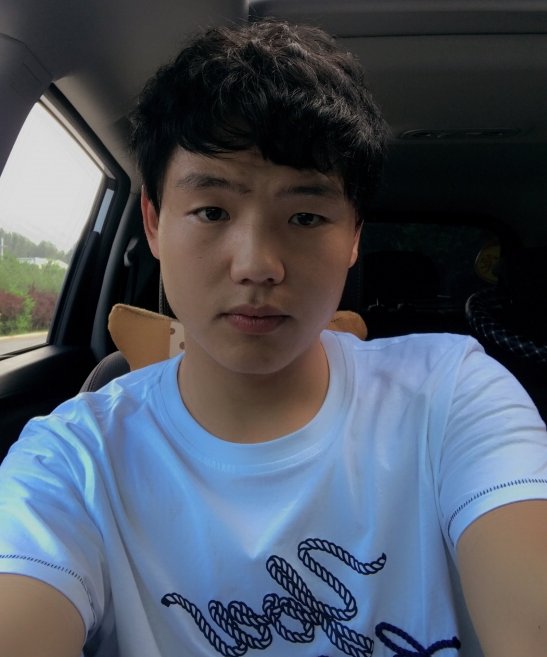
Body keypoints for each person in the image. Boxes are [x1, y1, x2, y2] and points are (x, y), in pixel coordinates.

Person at [0, 17, 546, 657]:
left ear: (354, 236)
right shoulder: (73, 461)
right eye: (212, 211)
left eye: (306, 216)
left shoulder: (453, 395)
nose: (258, 265)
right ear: (153, 222)